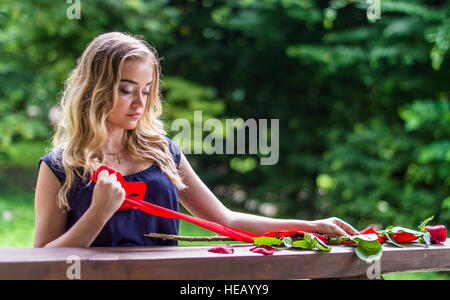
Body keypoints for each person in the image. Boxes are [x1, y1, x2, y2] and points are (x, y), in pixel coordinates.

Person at [34, 32, 359, 248]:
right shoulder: (60, 168)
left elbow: (224, 220)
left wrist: (310, 227)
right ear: (96, 88)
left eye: (146, 91)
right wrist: (98, 214)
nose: (140, 103)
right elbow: (41, 265)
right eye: (126, 89)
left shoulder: (164, 154)